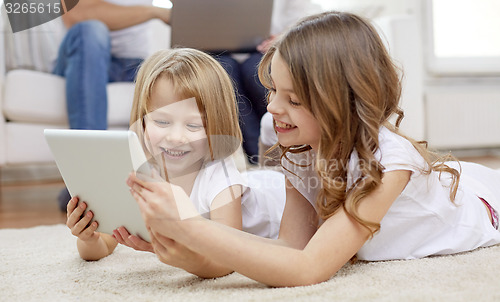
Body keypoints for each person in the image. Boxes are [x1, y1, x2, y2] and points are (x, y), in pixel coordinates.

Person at [127, 11, 500, 287]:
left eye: (294, 99)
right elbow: (292, 245)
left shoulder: (390, 166)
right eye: (273, 90)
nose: (272, 108)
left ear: (342, 103)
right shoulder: (288, 135)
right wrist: (188, 247)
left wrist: (192, 230)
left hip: (479, 210)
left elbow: (308, 267)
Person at [66, 48, 285, 278]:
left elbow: (227, 261)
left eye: (193, 126)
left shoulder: (221, 177)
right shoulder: (139, 172)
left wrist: (188, 262)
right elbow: (104, 243)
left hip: (279, 196)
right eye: (161, 121)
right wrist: (88, 237)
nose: (176, 138)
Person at [55, 0, 171, 211]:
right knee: (91, 30)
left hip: (133, 63)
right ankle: (86, 178)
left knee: (170, 68)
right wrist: (154, 11)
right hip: (82, 56)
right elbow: (77, 13)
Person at [214, 0, 321, 162]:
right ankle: (258, 157)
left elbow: (312, 17)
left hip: (266, 48)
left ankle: (275, 153)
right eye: (274, 91)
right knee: (224, 73)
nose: (272, 106)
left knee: (254, 71)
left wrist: (285, 37)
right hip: (221, 51)